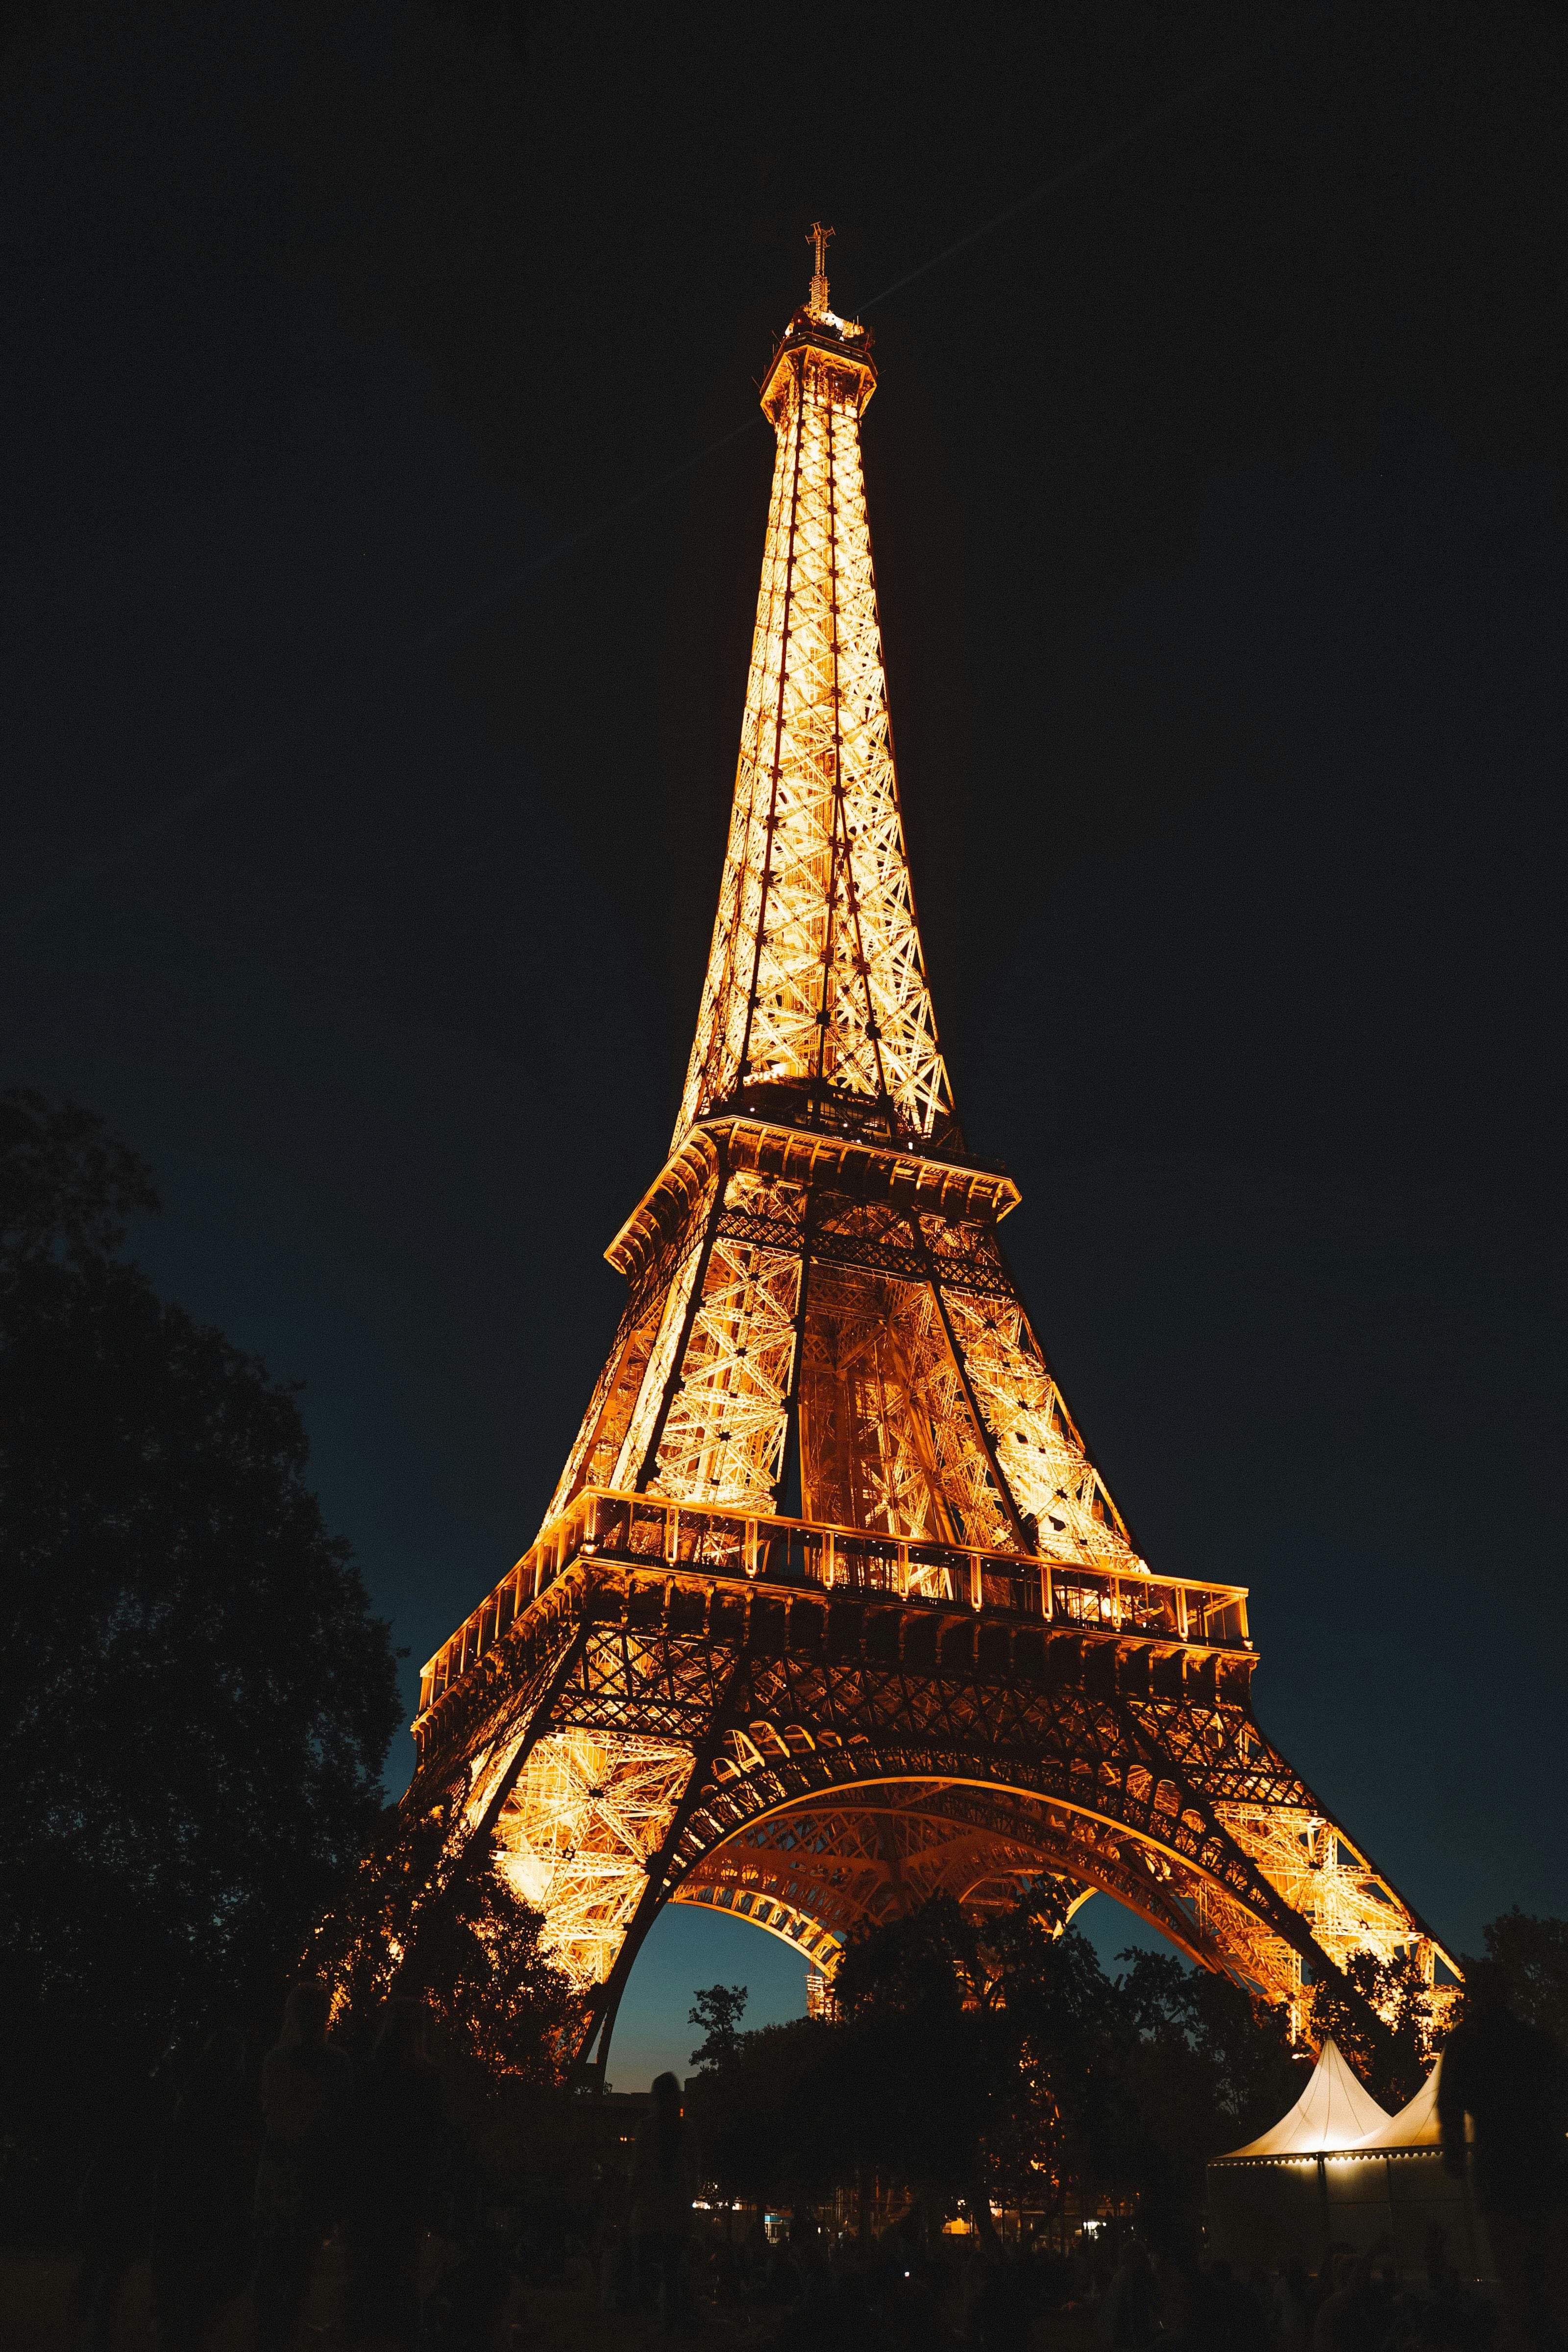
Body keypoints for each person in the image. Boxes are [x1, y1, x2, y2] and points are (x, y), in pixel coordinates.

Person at [1440, 1958, 1568, 2351]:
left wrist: (1457, 2155)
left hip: (1499, 2173)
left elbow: (1449, 2106)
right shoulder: (1538, 2042)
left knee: (1516, 2286)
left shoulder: (1464, 2042)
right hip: (1548, 2168)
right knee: (1556, 2279)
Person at [341, 1995, 443, 2350]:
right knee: (401, 2279)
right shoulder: (427, 2078)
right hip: (407, 2191)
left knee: (364, 2277)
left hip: (368, 2188)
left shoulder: (366, 2071)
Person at [252, 1980, 347, 2352]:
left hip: (278, 2173)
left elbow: (272, 2118)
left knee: (271, 2270)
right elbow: (340, 2127)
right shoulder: (337, 2064)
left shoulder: (277, 2059)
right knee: (299, 2270)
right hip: (313, 2177)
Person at [150, 2026, 253, 2352]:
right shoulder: (227, 2108)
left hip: (187, 2211)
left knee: (182, 2303)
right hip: (205, 2211)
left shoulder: (193, 2104)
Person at [628, 2071, 695, 2331]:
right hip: (677, 2215)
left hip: (649, 2215)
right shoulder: (688, 2131)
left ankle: (645, 2329)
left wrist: (628, 2211)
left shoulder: (646, 2129)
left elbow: (638, 2173)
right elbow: (693, 2175)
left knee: (644, 2279)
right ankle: (672, 2326)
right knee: (674, 2276)